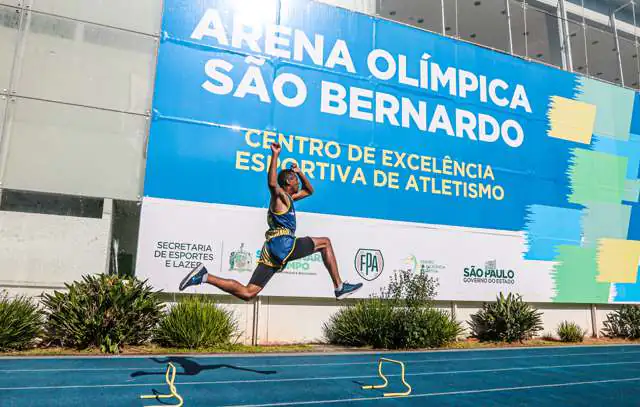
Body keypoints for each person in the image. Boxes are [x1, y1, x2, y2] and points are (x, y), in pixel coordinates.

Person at [178, 142, 363, 301]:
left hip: (272, 250)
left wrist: (300, 171)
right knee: (325, 243)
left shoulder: (289, 199)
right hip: (284, 244)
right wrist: (275, 155)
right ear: (289, 183)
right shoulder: (280, 197)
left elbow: (309, 191)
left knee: (248, 292)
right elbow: (273, 183)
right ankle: (339, 287)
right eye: (296, 179)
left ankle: (204, 276)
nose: (298, 182)